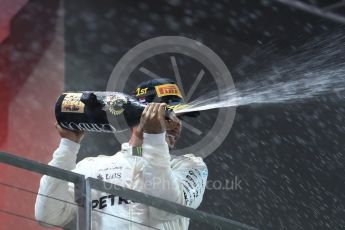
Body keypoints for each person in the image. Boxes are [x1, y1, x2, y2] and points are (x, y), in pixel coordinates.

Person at [35, 78, 208, 229]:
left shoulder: (191, 167)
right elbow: (47, 216)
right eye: (170, 114)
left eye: (181, 118)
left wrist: (155, 140)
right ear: (139, 113)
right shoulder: (90, 167)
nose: (178, 124)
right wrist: (68, 145)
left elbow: (165, 210)